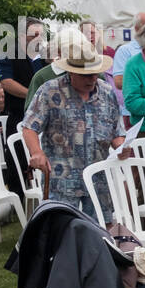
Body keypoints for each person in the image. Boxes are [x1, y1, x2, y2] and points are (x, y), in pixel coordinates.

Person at [21, 30, 128, 219]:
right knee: (62, 232)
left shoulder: (106, 92)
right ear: (71, 71)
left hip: (98, 180)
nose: (92, 79)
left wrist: (121, 146)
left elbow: (116, 131)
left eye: (95, 74)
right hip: (62, 181)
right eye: (86, 75)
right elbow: (30, 126)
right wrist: (36, 152)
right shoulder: (49, 90)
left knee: (99, 234)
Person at [111, 12, 145, 127]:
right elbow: (119, 82)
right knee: (138, 144)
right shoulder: (125, 51)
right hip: (134, 112)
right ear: (137, 29)